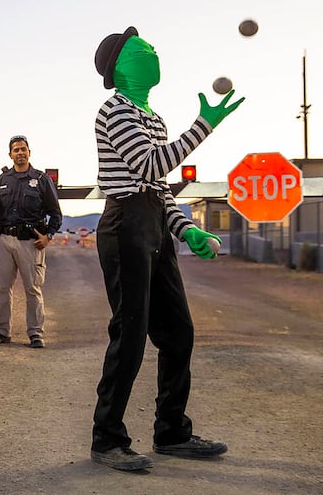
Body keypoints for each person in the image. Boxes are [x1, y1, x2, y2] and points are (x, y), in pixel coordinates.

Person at [89, 26, 244, 471]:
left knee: (178, 332)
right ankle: (107, 439)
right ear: (119, 66)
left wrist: (186, 229)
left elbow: (158, 186)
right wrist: (205, 126)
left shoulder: (153, 117)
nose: (152, 52)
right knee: (131, 334)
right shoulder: (114, 109)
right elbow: (152, 163)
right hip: (124, 227)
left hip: (152, 221)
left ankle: (172, 431)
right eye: (142, 49)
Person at [0, 135, 62, 348]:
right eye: (16, 150)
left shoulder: (41, 179)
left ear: (29, 152)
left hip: (30, 242)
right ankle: (1, 331)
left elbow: (56, 213)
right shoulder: (3, 180)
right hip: (4, 240)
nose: (20, 153)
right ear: (10, 154)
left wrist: (49, 236)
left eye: (23, 149)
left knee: (33, 288)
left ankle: (36, 333)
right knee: (2, 287)